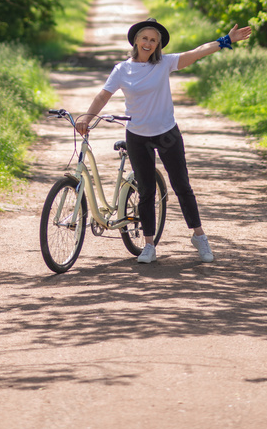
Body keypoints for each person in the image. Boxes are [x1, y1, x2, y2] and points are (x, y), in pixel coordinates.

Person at [75, 17, 252, 264]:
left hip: (167, 133)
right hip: (137, 135)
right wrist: (86, 116)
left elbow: (197, 53)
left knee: (182, 186)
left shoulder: (164, 63)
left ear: (158, 45)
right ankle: (148, 245)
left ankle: (199, 236)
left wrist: (226, 41)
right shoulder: (122, 69)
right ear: (136, 40)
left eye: (153, 40)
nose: (148, 43)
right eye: (144, 38)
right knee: (146, 190)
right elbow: (103, 96)